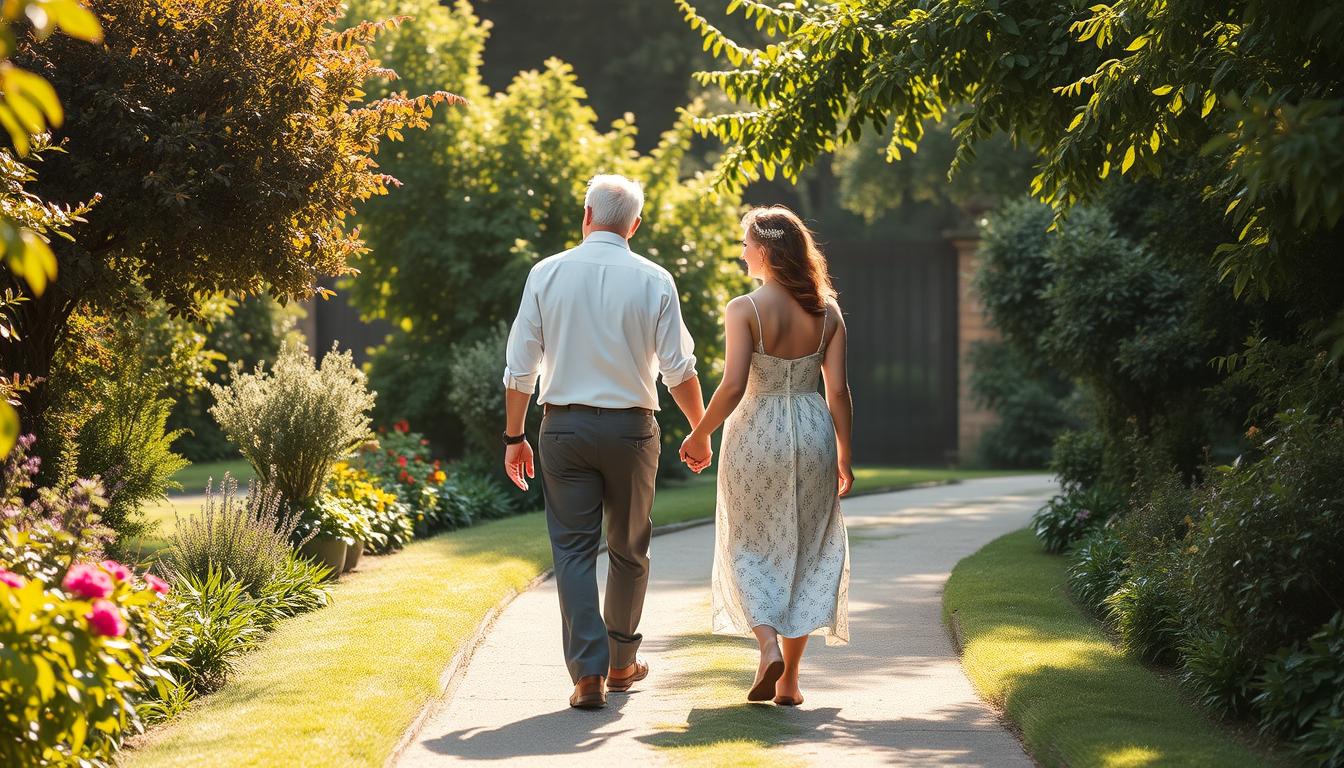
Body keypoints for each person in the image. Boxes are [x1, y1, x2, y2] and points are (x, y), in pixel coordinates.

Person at [501, 174, 707, 710]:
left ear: (586, 215)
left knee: (571, 550)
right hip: (632, 431)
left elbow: (521, 368)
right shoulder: (655, 279)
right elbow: (677, 369)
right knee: (629, 548)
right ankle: (621, 664)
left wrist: (513, 436)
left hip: (563, 428)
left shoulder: (545, 273)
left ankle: (587, 675)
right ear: (634, 225)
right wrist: (701, 430)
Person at [679, 204, 853, 707]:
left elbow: (733, 386)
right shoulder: (828, 312)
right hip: (814, 432)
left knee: (748, 544)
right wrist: (845, 454)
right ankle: (790, 683)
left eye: (745, 245)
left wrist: (699, 435)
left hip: (756, 433)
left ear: (766, 251)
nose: (742, 253)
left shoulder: (745, 309)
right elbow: (838, 391)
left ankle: (766, 642)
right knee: (808, 549)